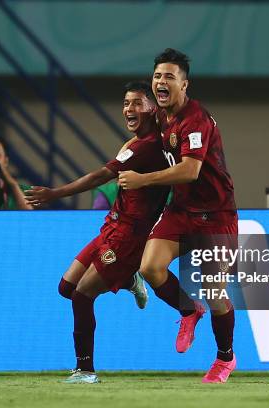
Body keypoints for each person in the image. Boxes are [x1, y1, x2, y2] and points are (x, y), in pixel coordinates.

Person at [25, 81, 170, 384]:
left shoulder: (149, 147)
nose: (129, 109)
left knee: (82, 295)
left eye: (137, 103)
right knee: (66, 289)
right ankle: (130, 279)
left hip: (127, 237)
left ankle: (86, 370)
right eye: (126, 102)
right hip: (111, 227)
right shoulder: (135, 144)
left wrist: (55, 193)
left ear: (152, 108)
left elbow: (101, 176)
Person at [118, 49, 238, 383]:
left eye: (169, 77)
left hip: (216, 214)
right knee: (150, 268)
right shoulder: (159, 116)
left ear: (185, 85)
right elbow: (144, 141)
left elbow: (190, 170)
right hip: (181, 211)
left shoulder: (195, 119)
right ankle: (188, 310)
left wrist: (142, 180)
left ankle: (225, 358)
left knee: (215, 292)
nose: (161, 81)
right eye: (157, 76)